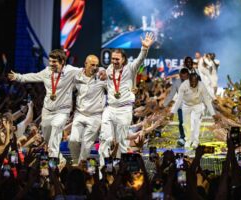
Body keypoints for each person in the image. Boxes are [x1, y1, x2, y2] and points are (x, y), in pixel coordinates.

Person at [8, 49, 82, 160]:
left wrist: (102, 72)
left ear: (62, 62)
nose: (51, 64)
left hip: (62, 111)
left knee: (56, 129)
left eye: (54, 62)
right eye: (50, 61)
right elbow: (33, 76)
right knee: (47, 139)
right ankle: (54, 157)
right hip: (47, 111)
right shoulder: (47, 72)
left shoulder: (70, 71)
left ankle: (53, 161)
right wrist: (18, 77)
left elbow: (85, 71)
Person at [98, 32, 154, 166]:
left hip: (124, 110)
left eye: (117, 59)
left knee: (121, 142)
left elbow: (140, 60)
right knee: (105, 139)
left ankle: (120, 171)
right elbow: (103, 76)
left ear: (123, 59)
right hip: (110, 109)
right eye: (113, 59)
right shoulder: (109, 69)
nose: (114, 61)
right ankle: (103, 170)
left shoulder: (130, 69)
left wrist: (144, 48)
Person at [68, 55, 107, 164]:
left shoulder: (102, 77)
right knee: (73, 141)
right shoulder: (78, 77)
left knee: (86, 145)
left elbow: (114, 89)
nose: (95, 67)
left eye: (96, 65)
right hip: (80, 114)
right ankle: (76, 164)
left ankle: (81, 168)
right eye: (92, 65)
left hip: (95, 116)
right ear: (85, 64)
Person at [169, 73, 220, 149]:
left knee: (195, 123)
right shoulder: (183, 85)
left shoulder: (202, 86)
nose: (193, 84)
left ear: (197, 81)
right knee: (185, 124)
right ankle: (188, 141)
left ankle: (195, 141)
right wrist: (172, 112)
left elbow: (207, 100)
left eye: (195, 82)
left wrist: (213, 114)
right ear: (189, 80)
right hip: (186, 105)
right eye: (192, 82)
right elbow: (178, 100)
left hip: (197, 105)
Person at [163, 68, 189, 146]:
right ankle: (182, 137)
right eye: (181, 76)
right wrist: (165, 105)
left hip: (191, 106)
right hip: (180, 106)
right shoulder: (177, 82)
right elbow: (172, 94)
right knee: (181, 122)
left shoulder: (193, 82)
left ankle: (190, 138)